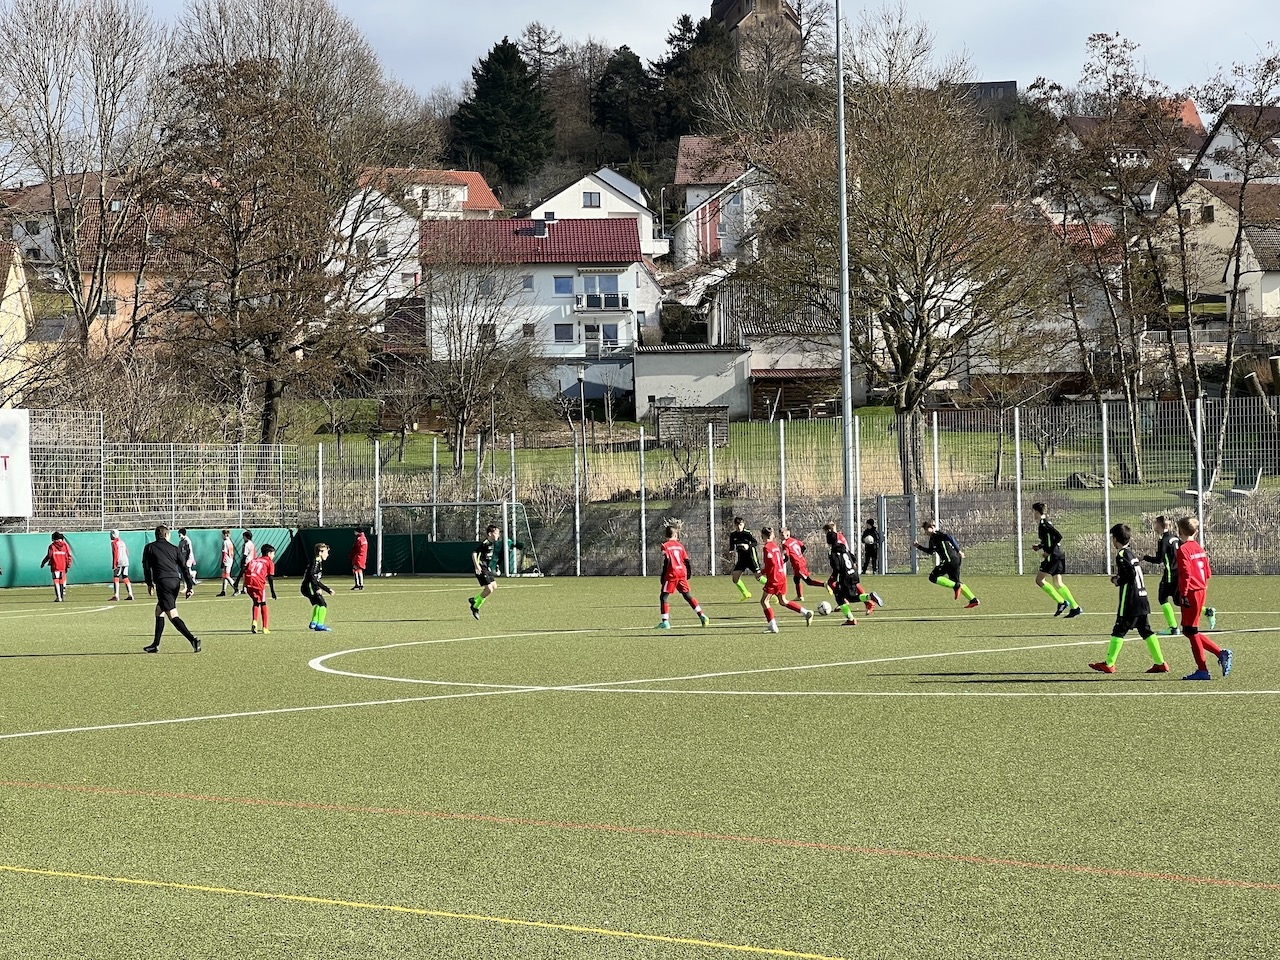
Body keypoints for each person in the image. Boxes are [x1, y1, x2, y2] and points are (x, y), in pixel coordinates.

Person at [1088, 523, 1167, 675]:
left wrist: (1117, 580)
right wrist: (1120, 577)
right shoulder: (1131, 554)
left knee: (1119, 630)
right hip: (1142, 597)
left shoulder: (1121, 555)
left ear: (1115, 539)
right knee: (1146, 630)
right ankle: (1160, 663)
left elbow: (1130, 574)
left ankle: (1109, 664)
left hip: (1130, 600)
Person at [1176, 517, 1231, 681]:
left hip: (1191, 592)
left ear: (1179, 532)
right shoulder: (1199, 548)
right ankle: (1219, 654)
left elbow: (1186, 573)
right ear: (1196, 532)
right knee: (1188, 630)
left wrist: (1184, 593)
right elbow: (1207, 572)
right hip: (1201, 589)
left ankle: (1203, 669)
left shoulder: (1183, 549)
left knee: (1191, 631)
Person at [140, 524, 200, 653]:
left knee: (172, 614)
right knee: (159, 611)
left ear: (156, 535)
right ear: (166, 535)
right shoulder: (174, 548)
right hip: (175, 582)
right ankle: (155, 644)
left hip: (163, 583)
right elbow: (184, 568)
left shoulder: (149, 547)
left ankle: (193, 639)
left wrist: (149, 583)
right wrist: (189, 586)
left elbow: (146, 568)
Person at [1031, 503, 1082, 618]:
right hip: (1058, 553)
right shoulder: (1046, 522)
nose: (1033, 514)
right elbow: (1050, 539)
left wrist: (1048, 551)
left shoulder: (1044, 524)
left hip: (1053, 555)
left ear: (1037, 512)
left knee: (1039, 580)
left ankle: (1062, 602)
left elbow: (1058, 536)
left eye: (1033, 512)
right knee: (1058, 583)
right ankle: (1075, 607)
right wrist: (1040, 546)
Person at [913, 521, 980, 608]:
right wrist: (918, 546)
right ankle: (973, 600)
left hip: (949, 560)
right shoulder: (932, 539)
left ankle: (956, 586)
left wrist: (959, 551)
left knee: (933, 577)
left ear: (932, 528)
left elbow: (950, 538)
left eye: (927, 529)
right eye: (925, 529)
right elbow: (930, 551)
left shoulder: (938, 535)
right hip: (953, 560)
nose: (926, 532)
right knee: (956, 582)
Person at [759, 526, 813, 633]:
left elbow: (771, 564)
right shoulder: (775, 546)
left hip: (774, 578)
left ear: (763, 536)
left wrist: (762, 572)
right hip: (782, 577)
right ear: (772, 535)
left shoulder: (767, 548)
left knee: (764, 601)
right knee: (783, 601)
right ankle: (806, 612)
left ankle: (773, 626)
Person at [655, 523, 708, 629]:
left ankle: (665, 622)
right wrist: (689, 572)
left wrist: (663, 575)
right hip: (682, 573)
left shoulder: (665, 546)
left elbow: (667, 561)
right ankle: (702, 615)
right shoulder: (680, 546)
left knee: (663, 597)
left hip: (672, 573)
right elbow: (687, 560)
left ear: (666, 536)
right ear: (675, 535)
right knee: (687, 595)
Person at [827, 527, 885, 625]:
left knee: (843, 598)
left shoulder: (833, 552)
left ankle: (854, 615)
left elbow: (836, 567)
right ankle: (866, 601)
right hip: (853, 573)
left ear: (828, 542)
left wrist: (835, 577)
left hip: (845, 576)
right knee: (844, 596)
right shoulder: (843, 547)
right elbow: (853, 557)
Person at [1142, 515, 1182, 635]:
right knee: (1178, 600)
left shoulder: (1163, 540)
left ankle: (1173, 627)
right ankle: (1206, 611)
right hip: (1179, 572)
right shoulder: (1175, 537)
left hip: (1170, 573)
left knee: (1162, 598)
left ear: (1159, 525)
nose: (1154, 527)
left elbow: (1159, 559)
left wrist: (1145, 557)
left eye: (1155, 524)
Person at [780, 526, 828, 601]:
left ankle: (824, 584)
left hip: (798, 565)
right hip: (801, 561)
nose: (781, 537)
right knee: (796, 579)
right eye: (781, 535)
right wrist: (799, 555)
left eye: (782, 535)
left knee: (808, 581)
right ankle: (800, 596)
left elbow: (786, 557)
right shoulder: (794, 540)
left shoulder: (785, 544)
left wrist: (780, 563)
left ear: (787, 534)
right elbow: (803, 547)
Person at [727, 517, 766, 601]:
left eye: (740, 525)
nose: (739, 527)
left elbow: (755, 542)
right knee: (735, 578)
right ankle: (746, 593)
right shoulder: (733, 535)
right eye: (737, 525)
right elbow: (731, 546)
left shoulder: (747, 533)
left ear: (743, 525)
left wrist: (748, 545)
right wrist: (731, 551)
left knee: (758, 577)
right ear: (734, 525)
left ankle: (774, 590)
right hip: (741, 559)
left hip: (751, 558)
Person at [244, 543, 278, 634]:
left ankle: (254, 622)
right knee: (263, 603)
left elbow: (244, 568)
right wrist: (272, 591)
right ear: (269, 553)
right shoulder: (269, 562)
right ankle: (265, 627)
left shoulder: (254, 560)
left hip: (248, 583)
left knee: (256, 602)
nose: (274, 555)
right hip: (258, 583)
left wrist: (237, 582)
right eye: (273, 553)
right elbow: (270, 578)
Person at [301, 542, 335, 631]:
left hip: (309, 586)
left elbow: (316, 579)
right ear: (320, 553)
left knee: (318, 604)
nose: (327, 554)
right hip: (310, 587)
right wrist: (316, 588)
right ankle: (319, 625)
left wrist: (327, 589)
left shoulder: (318, 562)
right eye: (326, 552)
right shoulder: (315, 563)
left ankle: (314, 622)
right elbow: (312, 576)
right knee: (323, 604)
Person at [469, 525, 500, 620]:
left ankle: (474, 599)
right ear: (490, 534)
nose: (498, 535)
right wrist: (477, 566)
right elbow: (474, 553)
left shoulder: (492, 543)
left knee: (494, 586)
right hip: (481, 568)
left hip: (486, 568)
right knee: (489, 589)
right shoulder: (485, 543)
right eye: (496, 533)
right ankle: (475, 607)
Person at [40, 531, 73, 602]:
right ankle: (62, 595)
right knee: (61, 581)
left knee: (56, 581)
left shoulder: (52, 546)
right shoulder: (65, 546)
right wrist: (68, 564)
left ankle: (59, 597)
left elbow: (49, 556)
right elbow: (69, 555)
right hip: (63, 566)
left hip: (55, 566)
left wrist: (43, 562)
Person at [108, 529, 135, 602]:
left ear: (113, 535)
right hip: (125, 561)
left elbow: (115, 553)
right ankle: (130, 594)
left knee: (116, 577)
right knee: (125, 577)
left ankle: (116, 595)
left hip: (119, 562)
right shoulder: (122, 542)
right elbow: (127, 552)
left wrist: (114, 564)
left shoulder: (114, 543)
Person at [231, 530, 256, 596]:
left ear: (246, 537)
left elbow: (245, 554)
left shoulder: (247, 544)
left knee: (242, 574)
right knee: (245, 575)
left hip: (247, 561)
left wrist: (243, 561)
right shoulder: (251, 543)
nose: (243, 538)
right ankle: (244, 588)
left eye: (244, 537)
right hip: (251, 561)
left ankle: (237, 584)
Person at [349, 526, 368, 590]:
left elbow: (355, 548)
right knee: (359, 569)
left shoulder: (359, 539)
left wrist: (351, 555)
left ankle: (358, 584)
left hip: (358, 557)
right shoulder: (364, 538)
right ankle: (361, 584)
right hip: (363, 556)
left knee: (355, 569)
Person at [218, 529, 234, 596]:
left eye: (222, 534)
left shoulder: (225, 542)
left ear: (225, 535)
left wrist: (222, 561)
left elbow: (224, 553)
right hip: (230, 560)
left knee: (226, 576)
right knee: (225, 576)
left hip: (227, 560)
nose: (221, 536)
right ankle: (223, 591)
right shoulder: (230, 542)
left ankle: (236, 588)